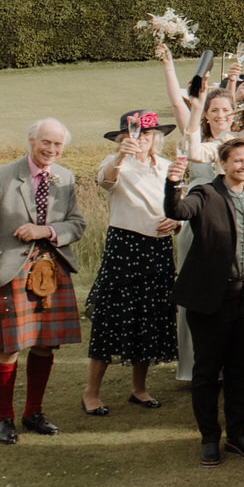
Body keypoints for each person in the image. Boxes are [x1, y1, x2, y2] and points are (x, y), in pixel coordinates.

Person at [0, 118, 87, 444]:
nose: (52, 150)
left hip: (53, 270)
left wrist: (46, 231)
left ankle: (33, 412)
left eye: (58, 145)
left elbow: (77, 225)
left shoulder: (66, 177)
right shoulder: (2, 176)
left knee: (44, 343)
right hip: (12, 271)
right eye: (46, 143)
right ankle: (4, 419)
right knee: (9, 347)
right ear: (31, 141)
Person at [164, 137, 244, 466]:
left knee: (239, 369)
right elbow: (177, 211)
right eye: (237, 160)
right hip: (212, 298)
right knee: (208, 371)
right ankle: (210, 437)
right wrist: (172, 183)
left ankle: (237, 434)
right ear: (222, 164)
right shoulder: (205, 194)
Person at [81, 110, 179, 416]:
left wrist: (176, 220)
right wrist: (120, 157)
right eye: (134, 134)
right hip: (125, 246)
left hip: (159, 249)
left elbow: (179, 204)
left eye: (147, 134)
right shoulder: (113, 164)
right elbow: (106, 181)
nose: (141, 140)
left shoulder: (165, 166)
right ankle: (91, 392)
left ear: (156, 138)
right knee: (110, 319)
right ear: (123, 138)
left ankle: (139, 389)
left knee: (149, 317)